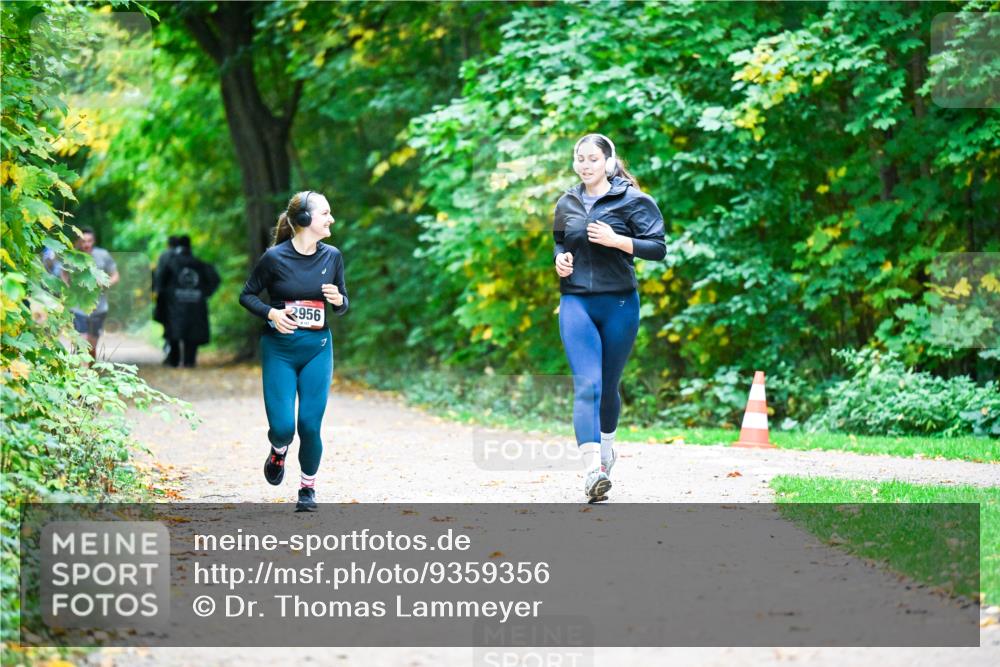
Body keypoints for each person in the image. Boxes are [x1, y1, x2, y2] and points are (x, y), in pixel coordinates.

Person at [552, 134, 666, 501]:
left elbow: (658, 248)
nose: (586, 165)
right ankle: (591, 470)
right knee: (588, 385)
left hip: (619, 304)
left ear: (608, 162)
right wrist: (560, 260)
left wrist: (618, 241)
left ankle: (607, 451)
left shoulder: (634, 201)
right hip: (576, 304)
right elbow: (560, 241)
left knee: (608, 386)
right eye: (580, 159)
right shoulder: (567, 201)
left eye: (593, 159)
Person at [239, 191, 349, 512]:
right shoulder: (274, 258)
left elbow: (344, 304)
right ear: (303, 221)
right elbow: (247, 296)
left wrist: (339, 300)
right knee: (284, 428)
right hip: (280, 351)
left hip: (317, 348)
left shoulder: (332, 257)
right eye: (325, 213)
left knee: (310, 425)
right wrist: (271, 314)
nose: (331, 219)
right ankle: (278, 449)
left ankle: (307, 489)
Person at [159, 235, 220, 368]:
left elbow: (160, 282)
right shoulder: (199, 263)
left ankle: (174, 361)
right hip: (196, 303)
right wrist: (204, 293)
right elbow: (215, 279)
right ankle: (189, 362)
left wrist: (167, 295)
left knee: (174, 331)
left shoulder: (171, 263)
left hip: (175, 304)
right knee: (193, 331)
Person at [66, 227, 120, 359]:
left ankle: (90, 371)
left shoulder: (103, 255)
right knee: (82, 340)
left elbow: (115, 276)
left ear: (94, 241)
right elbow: (63, 273)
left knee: (92, 345)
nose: (86, 244)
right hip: (78, 306)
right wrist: (68, 286)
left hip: (99, 307)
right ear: (78, 241)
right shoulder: (72, 257)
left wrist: (104, 283)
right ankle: (82, 374)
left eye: (89, 241)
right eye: (83, 241)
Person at [152, 235, 180, 360]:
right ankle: (174, 351)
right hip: (180, 296)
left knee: (168, 323)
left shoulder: (164, 256)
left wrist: (157, 291)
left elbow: (159, 275)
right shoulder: (182, 256)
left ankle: (170, 349)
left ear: (168, 244)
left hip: (166, 296)